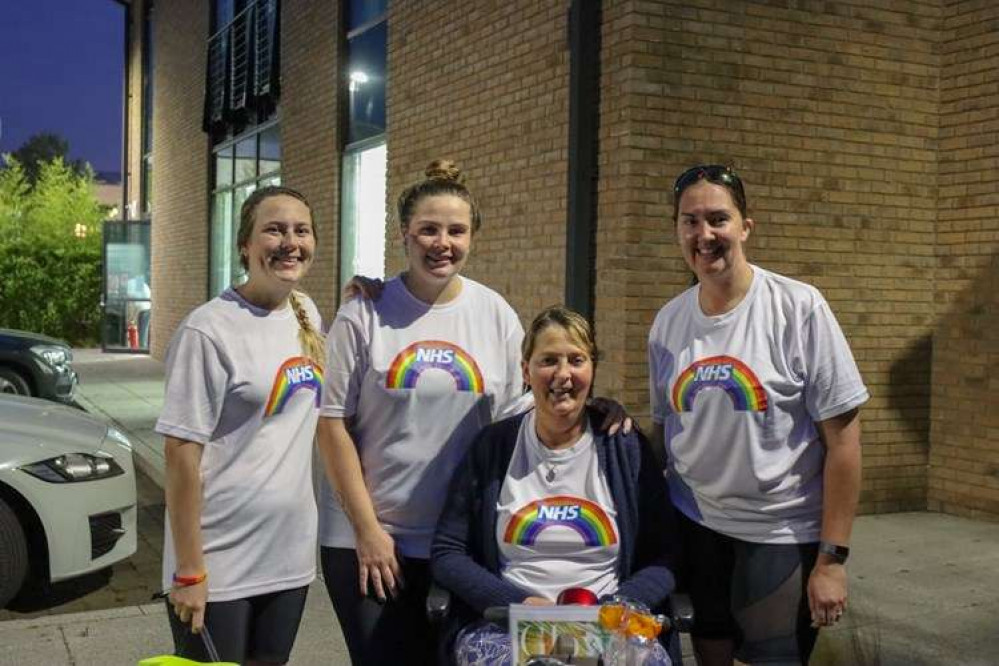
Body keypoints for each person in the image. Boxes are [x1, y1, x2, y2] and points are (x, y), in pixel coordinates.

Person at [318, 160, 628, 665]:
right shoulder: (364, 313)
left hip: (458, 544)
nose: (442, 242)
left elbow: (523, 411)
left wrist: (592, 407)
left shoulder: (494, 313)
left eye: (456, 231)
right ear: (404, 234)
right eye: (428, 230)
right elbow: (331, 424)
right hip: (370, 540)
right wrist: (368, 531)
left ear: (472, 237)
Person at [648, 165, 869, 665]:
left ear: (746, 226)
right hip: (696, 524)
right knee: (711, 649)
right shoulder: (668, 322)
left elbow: (844, 442)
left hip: (778, 533)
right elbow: (664, 432)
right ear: (678, 230)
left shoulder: (798, 308)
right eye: (690, 221)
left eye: (718, 219)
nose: (704, 235)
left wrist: (832, 560)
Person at [432, 305, 678, 666]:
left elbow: (667, 555)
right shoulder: (493, 447)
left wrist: (616, 607)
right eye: (548, 360)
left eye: (576, 360)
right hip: (508, 626)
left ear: (592, 370)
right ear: (526, 371)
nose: (563, 374)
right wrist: (516, 603)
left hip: (609, 624)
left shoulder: (624, 448)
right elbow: (448, 551)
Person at [155, 186, 324, 665]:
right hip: (219, 561)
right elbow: (180, 455)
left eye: (301, 230)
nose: (290, 242)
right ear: (245, 246)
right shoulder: (208, 330)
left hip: (288, 558)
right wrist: (189, 570)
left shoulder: (306, 313)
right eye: (274, 230)